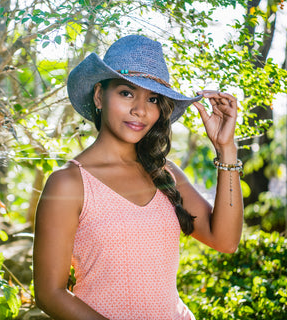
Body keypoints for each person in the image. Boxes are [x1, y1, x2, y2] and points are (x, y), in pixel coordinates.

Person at [33, 35, 244, 320]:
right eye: (126, 93)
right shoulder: (68, 184)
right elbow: (50, 293)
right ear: (99, 95)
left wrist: (226, 148)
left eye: (153, 98)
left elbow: (226, 241)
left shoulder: (165, 174)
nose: (140, 110)